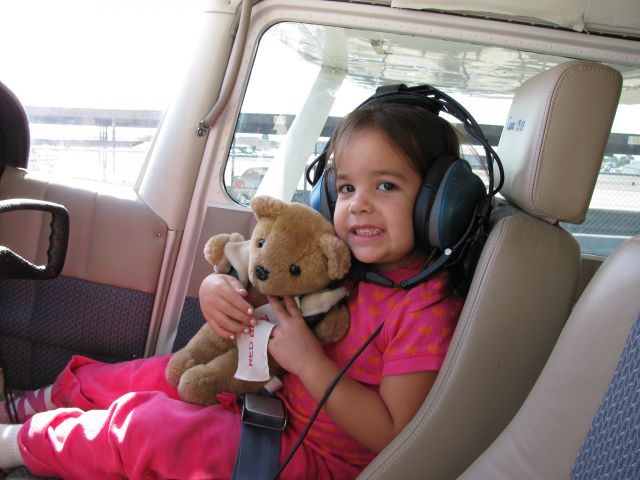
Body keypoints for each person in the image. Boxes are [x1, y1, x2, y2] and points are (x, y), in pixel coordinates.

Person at [0, 99, 467, 479]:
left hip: (312, 460)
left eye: (385, 185)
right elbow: (253, 270)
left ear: (437, 202)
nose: (358, 206)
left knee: (151, 427)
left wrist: (307, 361)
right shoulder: (339, 258)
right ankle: (30, 405)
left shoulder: (426, 309)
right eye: (345, 189)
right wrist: (217, 287)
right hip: (260, 393)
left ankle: (24, 443)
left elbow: (392, 433)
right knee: (151, 374)